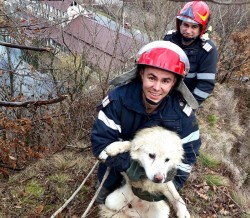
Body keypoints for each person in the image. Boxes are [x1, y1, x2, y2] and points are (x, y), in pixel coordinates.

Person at [91, 41, 201, 204]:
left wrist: (173, 185)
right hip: (115, 166)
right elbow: (101, 143)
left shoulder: (183, 115)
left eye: (165, 81)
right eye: (151, 77)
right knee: (103, 198)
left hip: (157, 175)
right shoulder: (119, 99)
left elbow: (189, 155)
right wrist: (129, 166)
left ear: (174, 83)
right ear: (141, 73)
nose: (157, 87)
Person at [163, 1, 218, 105]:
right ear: (179, 24)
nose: (188, 31)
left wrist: (188, 106)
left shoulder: (207, 51)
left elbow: (205, 85)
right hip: (161, 91)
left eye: (194, 27)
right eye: (185, 25)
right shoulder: (169, 38)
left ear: (202, 28)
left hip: (182, 100)